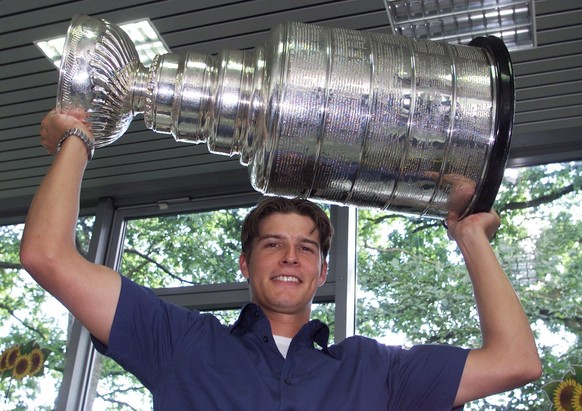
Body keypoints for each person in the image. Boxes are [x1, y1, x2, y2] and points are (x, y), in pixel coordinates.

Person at [20, 109, 542, 410]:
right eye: (273, 243)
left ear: (323, 271)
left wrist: (472, 236)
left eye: (307, 248)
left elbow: (516, 362)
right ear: (246, 264)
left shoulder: (377, 369)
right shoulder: (180, 343)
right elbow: (47, 255)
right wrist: (77, 140)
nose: (290, 256)